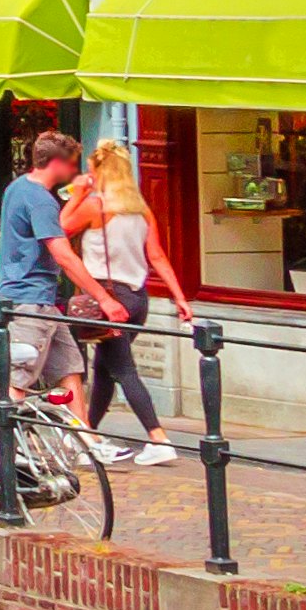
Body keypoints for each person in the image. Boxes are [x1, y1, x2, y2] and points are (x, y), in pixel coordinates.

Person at [68, 137, 177, 465]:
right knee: (105, 369)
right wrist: (179, 296)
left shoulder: (96, 205)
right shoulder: (140, 209)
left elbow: (58, 230)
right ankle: (89, 435)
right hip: (138, 297)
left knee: (123, 369)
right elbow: (156, 255)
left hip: (107, 299)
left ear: (99, 172)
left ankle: (158, 438)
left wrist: (77, 195)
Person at [0, 128, 84, 397]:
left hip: (38, 300)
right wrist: (104, 298)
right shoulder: (42, 201)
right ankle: (7, 438)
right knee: (18, 380)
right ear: (57, 164)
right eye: (72, 163)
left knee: (68, 373)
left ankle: (83, 438)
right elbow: (63, 255)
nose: (74, 170)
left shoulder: (17, 188)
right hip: (30, 301)